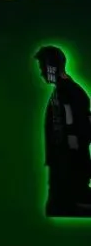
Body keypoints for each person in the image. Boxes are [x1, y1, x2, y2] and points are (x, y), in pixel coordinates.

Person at [35, 45, 91, 217]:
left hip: (68, 166)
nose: (42, 73)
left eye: (43, 68)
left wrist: (70, 157)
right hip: (64, 165)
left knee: (63, 205)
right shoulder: (63, 92)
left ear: (51, 67)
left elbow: (79, 131)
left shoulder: (69, 93)